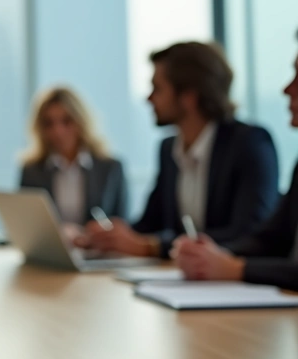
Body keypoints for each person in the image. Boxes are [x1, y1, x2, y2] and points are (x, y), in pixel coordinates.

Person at [84, 42, 279, 258]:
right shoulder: (169, 149)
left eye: (157, 89)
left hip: (235, 283)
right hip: (186, 279)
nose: (149, 99)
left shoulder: (249, 143)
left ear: (189, 96)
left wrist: (154, 247)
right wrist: (111, 235)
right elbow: (150, 223)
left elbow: (248, 233)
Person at [172, 35, 298, 291]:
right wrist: (209, 255)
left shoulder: (250, 142)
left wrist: (236, 268)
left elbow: (249, 228)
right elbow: (270, 240)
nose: (287, 89)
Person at [19, 86, 128, 229]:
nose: (58, 131)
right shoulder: (31, 170)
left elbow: (120, 223)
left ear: (81, 121)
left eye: (67, 121)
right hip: (49, 250)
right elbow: (25, 223)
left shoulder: (110, 167)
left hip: (98, 250)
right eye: (49, 123)